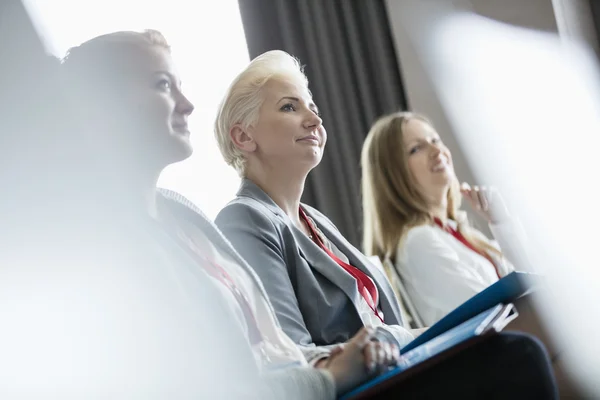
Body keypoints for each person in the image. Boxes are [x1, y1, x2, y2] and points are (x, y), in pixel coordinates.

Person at [0, 30, 400, 399]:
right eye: (161, 85)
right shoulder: (96, 247)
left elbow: (276, 350)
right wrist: (329, 377)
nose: (188, 105)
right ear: (99, 106)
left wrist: (351, 355)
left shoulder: (183, 219)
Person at [213, 50, 557, 398]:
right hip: (363, 385)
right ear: (243, 137)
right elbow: (290, 353)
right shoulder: (243, 219)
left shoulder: (316, 221)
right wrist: (392, 339)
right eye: (290, 107)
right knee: (519, 356)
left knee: (527, 348)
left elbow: (385, 323)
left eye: (313, 108)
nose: (314, 120)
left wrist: (403, 337)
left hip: (398, 364)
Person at [361, 111, 529, 325]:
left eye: (435, 140)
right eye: (416, 148)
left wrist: (501, 221)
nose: (436, 150)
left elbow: (531, 280)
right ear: (393, 174)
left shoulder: (456, 232)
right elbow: (491, 314)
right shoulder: (418, 241)